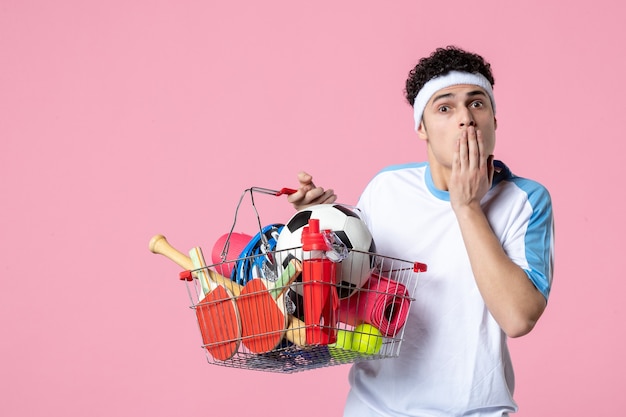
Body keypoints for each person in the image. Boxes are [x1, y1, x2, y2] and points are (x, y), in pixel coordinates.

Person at [287, 46, 554, 416]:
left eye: (477, 104)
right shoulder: (387, 188)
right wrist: (313, 227)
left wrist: (467, 206)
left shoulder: (525, 200)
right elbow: (344, 285)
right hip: (374, 407)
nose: (466, 119)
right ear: (421, 128)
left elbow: (518, 317)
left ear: (494, 117)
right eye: (445, 107)